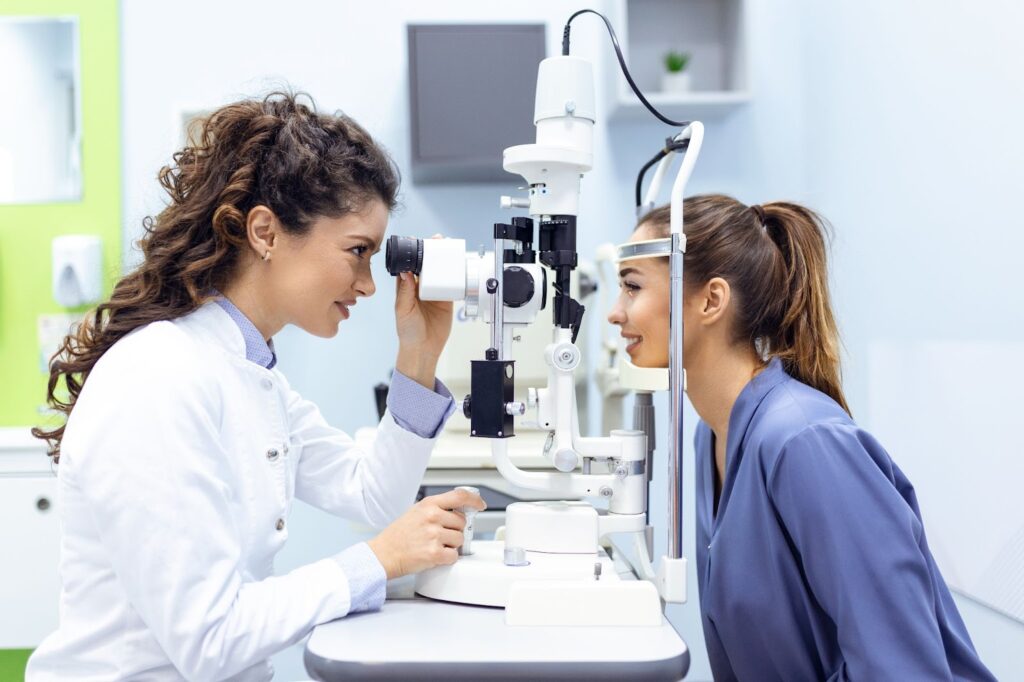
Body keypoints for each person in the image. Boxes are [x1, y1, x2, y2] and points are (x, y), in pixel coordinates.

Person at [26, 92, 485, 681]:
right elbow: (210, 639)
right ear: (266, 232)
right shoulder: (160, 377)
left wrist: (418, 357)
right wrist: (378, 559)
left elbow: (373, 496)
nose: (368, 285)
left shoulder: (249, 374)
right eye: (357, 252)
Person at [607, 195, 995, 681]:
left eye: (631, 287)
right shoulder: (710, 438)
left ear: (710, 300)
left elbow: (905, 669)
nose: (615, 313)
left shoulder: (804, 441)